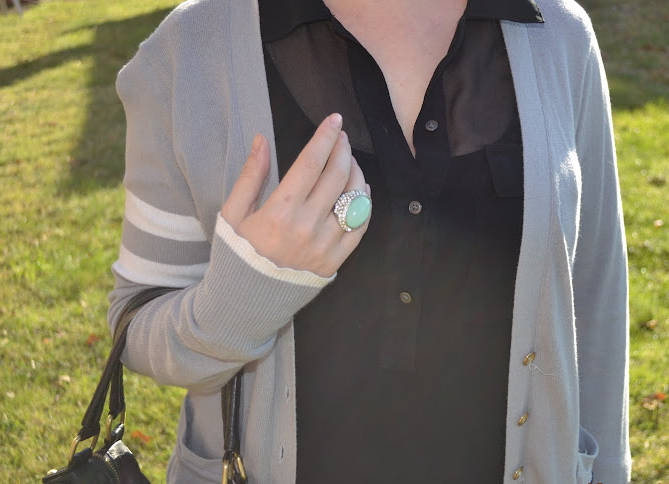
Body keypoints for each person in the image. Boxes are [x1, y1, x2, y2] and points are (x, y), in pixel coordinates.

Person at [108, 0, 631, 482]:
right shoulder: (191, 48)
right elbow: (136, 320)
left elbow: (595, 299)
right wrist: (245, 297)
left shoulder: (556, 33)